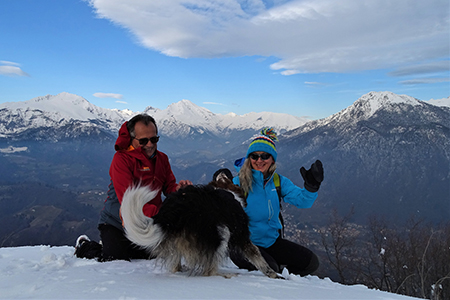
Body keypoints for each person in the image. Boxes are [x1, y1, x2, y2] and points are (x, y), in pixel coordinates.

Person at [75, 114, 192, 261]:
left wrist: (178, 190)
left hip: (148, 222)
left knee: (155, 256)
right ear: (132, 139)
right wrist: (163, 214)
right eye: (143, 141)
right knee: (115, 259)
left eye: (154, 139)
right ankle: (84, 246)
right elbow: (128, 201)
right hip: (116, 222)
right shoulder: (122, 160)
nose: (150, 144)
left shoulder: (162, 159)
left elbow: (168, 186)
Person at [229, 127, 323, 276]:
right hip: (243, 246)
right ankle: (276, 276)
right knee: (271, 270)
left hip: (271, 242)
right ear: (249, 159)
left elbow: (303, 201)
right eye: (254, 156)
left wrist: (311, 187)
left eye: (265, 156)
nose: (259, 160)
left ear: (272, 159)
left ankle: (285, 280)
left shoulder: (278, 182)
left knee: (310, 263)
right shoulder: (238, 183)